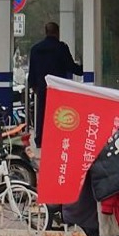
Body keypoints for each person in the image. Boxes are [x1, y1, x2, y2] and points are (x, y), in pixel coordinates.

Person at [24, 20, 79, 149]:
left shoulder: (35, 49)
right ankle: (57, 138)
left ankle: (40, 140)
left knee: (41, 113)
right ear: (57, 33)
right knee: (59, 115)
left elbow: (32, 71)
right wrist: (84, 69)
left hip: (42, 87)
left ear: (46, 32)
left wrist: (34, 86)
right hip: (58, 88)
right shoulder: (61, 48)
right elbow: (71, 67)